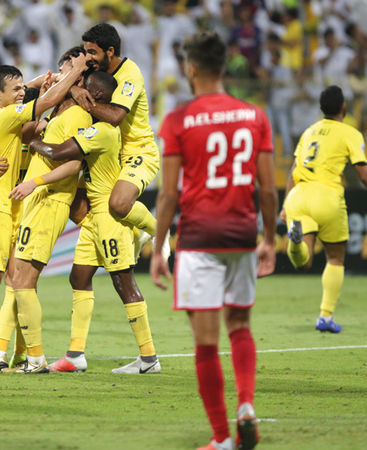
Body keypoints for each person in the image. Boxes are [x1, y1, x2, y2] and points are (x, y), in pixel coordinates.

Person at [151, 31, 278, 450]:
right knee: (239, 325)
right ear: (224, 67)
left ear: (190, 68)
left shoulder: (179, 119)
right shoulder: (254, 115)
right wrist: (270, 239)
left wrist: (156, 249)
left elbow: (169, 194)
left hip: (200, 238)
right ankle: (246, 404)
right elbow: (268, 190)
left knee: (205, 341)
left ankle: (222, 437)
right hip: (242, 235)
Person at [0, 58, 91, 374]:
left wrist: (46, 78)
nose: (23, 93)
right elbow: (45, 100)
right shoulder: (9, 116)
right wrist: (74, 73)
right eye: (16, 90)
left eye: (24, 88)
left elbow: (34, 91)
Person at [23, 70, 162, 375]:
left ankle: (149, 358)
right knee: (79, 278)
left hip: (109, 219)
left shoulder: (103, 132)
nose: (80, 92)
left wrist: (34, 142)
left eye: (85, 88)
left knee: (124, 285)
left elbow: (59, 153)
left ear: (96, 95)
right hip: (93, 222)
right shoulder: (97, 128)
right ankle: (75, 355)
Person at [280, 85, 367, 334]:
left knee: (302, 262)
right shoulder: (350, 133)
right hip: (327, 198)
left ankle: (295, 243)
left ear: (320, 109)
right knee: (335, 258)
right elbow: (365, 176)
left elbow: (293, 170)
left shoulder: (308, 132)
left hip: (298, 197)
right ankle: (325, 317)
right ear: (344, 107)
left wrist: (285, 206)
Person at [70, 23, 161, 258]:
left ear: (110, 51)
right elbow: (62, 79)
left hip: (138, 152)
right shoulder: (93, 71)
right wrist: (72, 89)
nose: (87, 58)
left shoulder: (130, 74)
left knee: (119, 205)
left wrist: (82, 97)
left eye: (92, 52)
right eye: (85, 51)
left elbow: (115, 116)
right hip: (107, 153)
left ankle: (159, 231)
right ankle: (127, 236)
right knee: (77, 209)